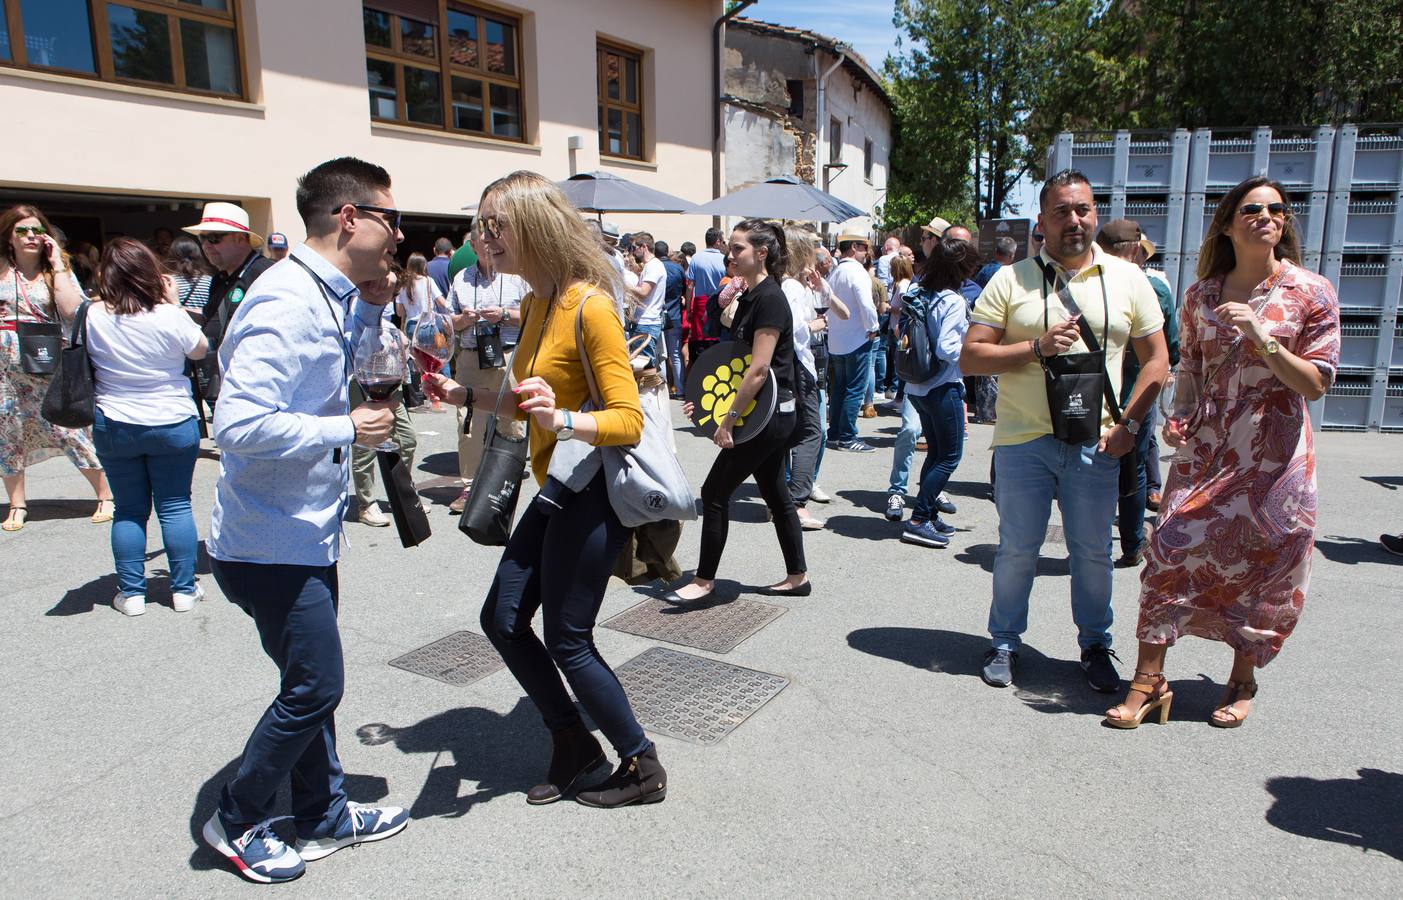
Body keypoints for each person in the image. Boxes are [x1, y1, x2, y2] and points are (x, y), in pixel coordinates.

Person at [424, 170, 666, 808]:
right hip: (555, 486)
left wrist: (561, 419)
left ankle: (641, 765)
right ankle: (574, 744)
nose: (484, 237)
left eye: (495, 224)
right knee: (502, 618)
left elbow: (627, 419)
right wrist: (465, 394)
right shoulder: (535, 302)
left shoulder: (590, 304)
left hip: (590, 490)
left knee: (567, 636)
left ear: (535, 225)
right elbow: (518, 401)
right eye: (480, 225)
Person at [202, 158, 409, 882]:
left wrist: (377, 307)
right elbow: (237, 424)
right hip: (269, 540)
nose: (398, 231)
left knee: (308, 679)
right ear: (349, 217)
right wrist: (342, 429)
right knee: (315, 687)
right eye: (389, 216)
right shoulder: (287, 298)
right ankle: (236, 816)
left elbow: (336, 370)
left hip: (303, 528)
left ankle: (321, 813)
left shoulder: (328, 294)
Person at [1105, 176, 1340, 730]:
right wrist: (1177, 417)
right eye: (1253, 208)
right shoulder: (1201, 295)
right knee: (1166, 550)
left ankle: (1241, 678)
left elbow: (1315, 383)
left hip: (1275, 450)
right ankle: (1149, 680)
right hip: (1209, 447)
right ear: (1229, 222)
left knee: (1264, 561)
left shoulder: (1311, 292)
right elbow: (1191, 371)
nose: (1267, 216)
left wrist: (1264, 337)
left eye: (1277, 209)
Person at [961, 169, 1169, 692]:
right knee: (1016, 548)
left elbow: (1158, 360)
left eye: (1083, 209)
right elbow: (971, 357)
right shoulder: (1011, 279)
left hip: (1097, 440)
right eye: (1061, 211)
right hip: (1023, 440)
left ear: (1094, 213)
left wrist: (1129, 427)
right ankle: (1005, 641)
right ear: (1043, 221)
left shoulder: (1128, 278)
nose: (1074, 220)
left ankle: (1095, 644)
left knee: (1094, 550)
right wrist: (1035, 347)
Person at [668, 219, 808, 604]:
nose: (730, 255)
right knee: (776, 494)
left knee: (714, 492)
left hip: (770, 417)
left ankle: (704, 581)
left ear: (761, 253)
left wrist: (726, 420)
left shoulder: (770, 299)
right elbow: (732, 364)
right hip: (768, 414)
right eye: (730, 247)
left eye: (737, 249)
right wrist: (706, 405)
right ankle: (797, 576)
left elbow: (760, 369)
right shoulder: (750, 295)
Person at [85, 239, 209, 616]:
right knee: (174, 506)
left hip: (116, 421)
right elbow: (200, 349)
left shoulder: (93, 315)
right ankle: (184, 590)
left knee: (128, 510)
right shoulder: (169, 315)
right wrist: (173, 306)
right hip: (172, 419)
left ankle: (133, 593)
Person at [0, 204, 113, 532]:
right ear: (9, 236)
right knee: (7, 433)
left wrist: (56, 263)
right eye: (22, 231)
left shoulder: (56, 269)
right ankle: (17, 504)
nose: (30, 236)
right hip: (4, 366)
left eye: (37, 230)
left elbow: (72, 310)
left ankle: (105, 494)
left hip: (46, 362)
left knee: (67, 426)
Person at [1096, 219, 1180, 567]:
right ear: (1134, 251)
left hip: (1089, 395)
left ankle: (1091, 544)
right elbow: (1171, 350)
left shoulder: (1086, 285)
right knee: (1135, 468)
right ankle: (1131, 544)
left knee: (1090, 470)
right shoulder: (1154, 289)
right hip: (1136, 393)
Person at [893, 236, 974, 548]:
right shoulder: (952, 301)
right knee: (950, 456)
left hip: (917, 385)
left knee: (937, 453)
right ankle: (919, 520)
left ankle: (925, 513)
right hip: (943, 386)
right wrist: (973, 357)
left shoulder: (919, 292)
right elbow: (947, 347)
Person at [444, 227, 528, 513]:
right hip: (471, 356)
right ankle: (469, 486)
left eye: (493, 237)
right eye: (482, 238)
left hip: (509, 356)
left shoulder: (517, 276)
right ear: (473, 244)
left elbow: (532, 315)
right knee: (468, 422)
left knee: (513, 422)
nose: (488, 243)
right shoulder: (461, 279)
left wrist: (504, 314)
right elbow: (449, 323)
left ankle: (506, 482)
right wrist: (462, 320)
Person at [780, 226, 848, 531]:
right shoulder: (792, 287)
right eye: (811, 248)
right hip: (799, 366)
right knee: (812, 432)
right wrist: (816, 324)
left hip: (795, 366)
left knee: (792, 433)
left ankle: (784, 500)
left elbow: (836, 309)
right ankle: (796, 502)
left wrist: (819, 289)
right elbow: (795, 330)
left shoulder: (793, 284)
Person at [186, 202, 274, 410]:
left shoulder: (265, 273)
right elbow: (213, 320)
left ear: (240, 238)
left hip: (255, 384)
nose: (207, 245)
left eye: (214, 238)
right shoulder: (220, 279)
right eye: (203, 238)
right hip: (224, 380)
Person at [825, 227, 879, 452]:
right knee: (854, 389)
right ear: (854, 248)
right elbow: (866, 303)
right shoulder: (857, 272)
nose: (866, 252)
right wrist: (873, 326)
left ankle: (836, 434)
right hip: (857, 338)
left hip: (837, 340)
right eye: (864, 248)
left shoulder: (835, 272)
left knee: (839, 388)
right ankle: (848, 436)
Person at [686, 227, 727, 366]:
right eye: (722, 241)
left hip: (700, 303)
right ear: (717, 242)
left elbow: (690, 286)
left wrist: (688, 309)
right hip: (719, 302)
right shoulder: (724, 260)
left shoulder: (696, 258)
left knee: (700, 340)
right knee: (717, 338)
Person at [623, 231, 666, 367]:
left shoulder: (654, 266)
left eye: (634, 248)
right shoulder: (651, 265)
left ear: (644, 247)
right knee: (643, 366)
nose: (633, 252)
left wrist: (624, 285)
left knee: (645, 368)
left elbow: (644, 292)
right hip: (645, 321)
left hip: (647, 322)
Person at [656, 240, 686, 397]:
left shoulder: (654, 268)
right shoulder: (678, 269)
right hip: (675, 315)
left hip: (657, 316)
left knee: (659, 355)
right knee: (675, 355)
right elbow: (685, 290)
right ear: (667, 252)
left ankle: (662, 390)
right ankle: (680, 390)